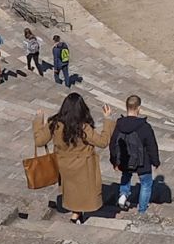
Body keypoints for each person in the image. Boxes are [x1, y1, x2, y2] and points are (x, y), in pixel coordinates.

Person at [33, 93, 114, 223]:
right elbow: (103, 142)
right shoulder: (83, 128)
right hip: (83, 166)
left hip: (64, 165)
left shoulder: (54, 124)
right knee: (81, 190)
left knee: (73, 190)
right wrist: (107, 119)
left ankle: (76, 215)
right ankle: (76, 215)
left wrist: (38, 120)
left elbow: (39, 141)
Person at [111, 95, 162, 214]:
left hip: (125, 158)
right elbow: (151, 146)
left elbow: (113, 143)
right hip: (142, 161)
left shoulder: (119, 124)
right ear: (138, 108)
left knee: (126, 175)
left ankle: (123, 195)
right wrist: (156, 162)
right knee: (146, 183)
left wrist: (114, 161)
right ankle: (142, 210)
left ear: (126, 107)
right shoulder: (144, 126)